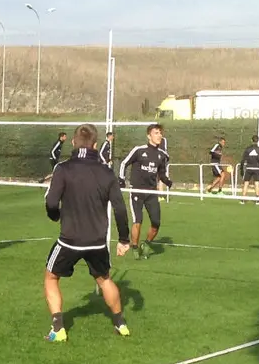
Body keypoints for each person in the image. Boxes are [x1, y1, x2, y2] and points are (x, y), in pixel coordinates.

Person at [43, 124, 132, 342]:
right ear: (95, 145)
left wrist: (55, 216)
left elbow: (51, 202)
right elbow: (120, 207)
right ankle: (120, 324)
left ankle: (58, 329)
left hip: (70, 240)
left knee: (51, 277)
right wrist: (123, 239)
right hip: (97, 242)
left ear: (73, 143)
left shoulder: (63, 169)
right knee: (104, 280)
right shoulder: (106, 172)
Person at [119, 124, 173, 260]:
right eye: (156, 133)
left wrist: (167, 182)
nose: (159, 135)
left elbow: (161, 174)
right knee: (138, 220)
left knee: (156, 223)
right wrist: (121, 179)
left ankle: (147, 244)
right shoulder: (138, 150)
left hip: (151, 193)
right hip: (137, 191)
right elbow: (124, 163)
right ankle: (135, 247)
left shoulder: (162, 155)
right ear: (149, 136)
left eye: (160, 133)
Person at [239, 135, 259, 205]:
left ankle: (243, 200)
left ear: (251, 140)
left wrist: (241, 169)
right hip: (256, 168)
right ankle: (258, 200)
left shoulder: (248, 149)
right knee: (257, 183)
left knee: (246, 183)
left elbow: (243, 159)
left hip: (248, 168)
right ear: (258, 140)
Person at [158, 136, 168, 201]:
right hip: (158, 160)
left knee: (161, 178)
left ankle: (160, 195)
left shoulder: (163, 139)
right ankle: (160, 194)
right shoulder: (163, 139)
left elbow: (164, 150)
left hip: (161, 161)